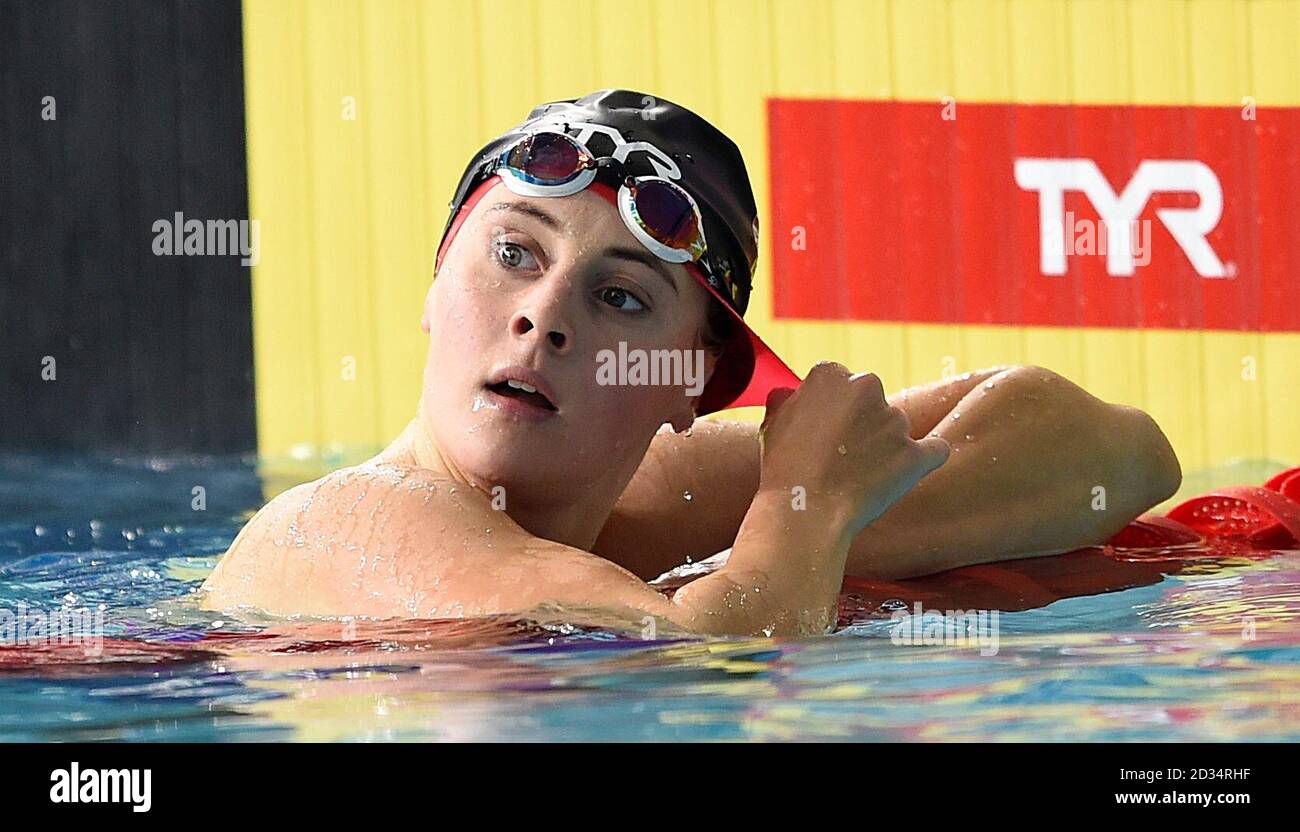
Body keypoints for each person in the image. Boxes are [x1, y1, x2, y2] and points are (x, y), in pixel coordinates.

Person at [201, 90, 1181, 636]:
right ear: (431, 284)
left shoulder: (638, 510)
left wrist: (797, 526)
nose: (543, 316)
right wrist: (814, 517)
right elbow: (715, 660)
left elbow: (1123, 453)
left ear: (695, 385)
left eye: (618, 296)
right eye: (514, 254)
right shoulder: (354, 520)